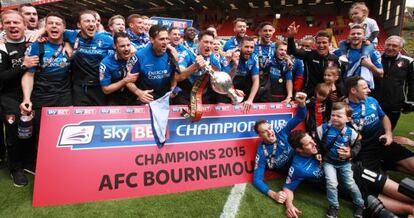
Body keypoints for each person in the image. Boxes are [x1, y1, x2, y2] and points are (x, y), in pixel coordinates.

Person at [284, 130, 414, 218]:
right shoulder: (298, 167)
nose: (313, 143)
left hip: (359, 173)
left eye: (311, 139)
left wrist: (348, 152)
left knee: (409, 192)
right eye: (308, 144)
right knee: (410, 208)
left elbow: (353, 140)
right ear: (299, 150)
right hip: (349, 190)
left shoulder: (322, 140)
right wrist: (289, 204)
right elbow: (288, 188)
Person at [344, 76, 414, 175]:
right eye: (364, 88)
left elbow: (383, 117)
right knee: (373, 184)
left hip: (383, 142)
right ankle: (382, 165)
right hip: (364, 149)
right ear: (353, 90)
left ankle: (385, 164)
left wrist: (388, 134)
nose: (369, 90)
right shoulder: (343, 108)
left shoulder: (372, 100)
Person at [0, 10, 39, 187]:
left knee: (33, 130)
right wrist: (23, 65)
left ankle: (29, 161)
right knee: (14, 132)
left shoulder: (33, 44)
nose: (12, 26)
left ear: (24, 26)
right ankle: (15, 168)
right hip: (9, 97)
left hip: (32, 94)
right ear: (2, 26)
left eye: (16, 22)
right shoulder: (1, 48)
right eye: (8, 22)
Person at [20, 13, 72, 139]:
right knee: (42, 135)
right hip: (42, 96)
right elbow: (29, 75)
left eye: (58, 24)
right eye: (50, 23)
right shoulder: (37, 46)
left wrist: (67, 43)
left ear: (64, 28)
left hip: (64, 96)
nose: (54, 26)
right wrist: (26, 99)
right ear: (45, 27)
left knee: (64, 133)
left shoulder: (70, 44)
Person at [252, 92, 307, 204]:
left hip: (303, 160)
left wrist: (302, 104)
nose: (270, 132)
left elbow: (300, 116)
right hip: (292, 173)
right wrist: (273, 194)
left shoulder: (281, 131)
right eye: (264, 131)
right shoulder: (261, 151)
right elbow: (257, 180)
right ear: (260, 135)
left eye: (270, 128)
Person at [316, 102, 364, 218]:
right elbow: (316, 141)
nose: (335, 118)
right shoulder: (323, 128)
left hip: (345, 163)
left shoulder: (351, 132)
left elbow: (358, 144)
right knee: (332, 183)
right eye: (333, 115)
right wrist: (317, 152)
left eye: (339, 116)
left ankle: (360, 204)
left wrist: (351, 153)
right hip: (329, 162)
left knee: (350, 184)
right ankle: (334, 206)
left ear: (348, 119)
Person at [64, 10, 114, 106]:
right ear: (79, 24)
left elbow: (123, 44)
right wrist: (65, 43)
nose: (91, 24)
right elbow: (54, 29)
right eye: (87, 21)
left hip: (99, 88)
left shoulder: (106, 39)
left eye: (93, 21)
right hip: (79, 88)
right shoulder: (72, 35)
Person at [372, 35, 414, 130]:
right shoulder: (375, 58)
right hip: (374, 102)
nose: (390, 48)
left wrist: (411, 102)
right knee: (370, 131)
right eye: (388, 45)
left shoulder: (408, 61)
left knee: (388, 132)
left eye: (394, 46)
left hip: (394, 103)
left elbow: (412, 83)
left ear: (400, 48)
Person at [287, 22, 339, 97]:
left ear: (330, 43)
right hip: (308, 94)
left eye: (324, 42)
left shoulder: (334, 59)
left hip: (327, 96)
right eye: (319, 43)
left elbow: (338, 79)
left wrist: (337, 93)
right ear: (315, 43)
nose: (321, 45)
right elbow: (293, 51)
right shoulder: (309, 54)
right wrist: (291, 37)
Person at [128, 25, 177, 104]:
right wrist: (138, 92)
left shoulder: (171, 54)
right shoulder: (139, 56)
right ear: (152, 39)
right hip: (147, 99)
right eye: (161, 39)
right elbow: (128, 81)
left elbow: (174, 76)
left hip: (165, 98)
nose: (165, 42)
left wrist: (173, 88)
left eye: (167, 39)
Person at [177, 30, 228, 104]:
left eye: (211, 43)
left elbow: (221, 80)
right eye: (206, 42)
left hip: (204, 93)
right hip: (187, 93)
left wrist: (233, 91)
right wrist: (195, 66)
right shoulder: (187, 54)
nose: (209, 45)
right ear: (198, 42)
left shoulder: (214, 59)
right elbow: (179, 76)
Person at [334, 25, 383, 89]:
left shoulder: (372, 53)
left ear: (364, 36)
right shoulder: (339, 52)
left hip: (363, 91)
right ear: (349, 36)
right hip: (344, 89)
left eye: (359, 34)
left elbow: (381, 74)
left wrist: (369, 65)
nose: (355, 35)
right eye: (353, 34)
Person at [220, 36, 259, 113]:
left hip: (241, 90)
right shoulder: (230, 56)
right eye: (246, 47)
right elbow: (224, 81)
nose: (249, 50)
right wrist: (235, 66)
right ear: (240, 47)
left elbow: (256, 80)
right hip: (225, 88)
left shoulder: (254, 58)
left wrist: (250, 100)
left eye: (252, 47)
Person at [99, 32, 138, 105]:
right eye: (122, 46)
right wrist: (125, 81)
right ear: (114, 46)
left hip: (135, 98)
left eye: (128, 45)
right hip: (114, 99)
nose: (126, 49)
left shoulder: (137, 57)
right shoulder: (106, 63)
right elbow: (106, 89)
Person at [253, 22, 277, 102]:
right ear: (260, 32)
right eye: (265, 31)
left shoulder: (275, 46)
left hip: (268, 82)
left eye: (270, 31)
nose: (268, 33)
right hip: (252, 79)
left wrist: (288, 58)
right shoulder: (252, 46)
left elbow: (283, 55)